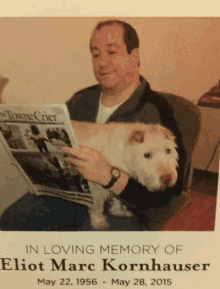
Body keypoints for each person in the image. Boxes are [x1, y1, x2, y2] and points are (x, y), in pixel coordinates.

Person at [0, 20, 186, 231]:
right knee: (12, 219)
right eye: (96, 54)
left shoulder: (157, 111)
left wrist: (110, 176)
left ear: (134, 57)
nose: (102, 63)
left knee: (90, 247)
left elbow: (167, 199)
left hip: (123, 207)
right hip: (69, 198)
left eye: (112, 52)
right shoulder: (81, 99)